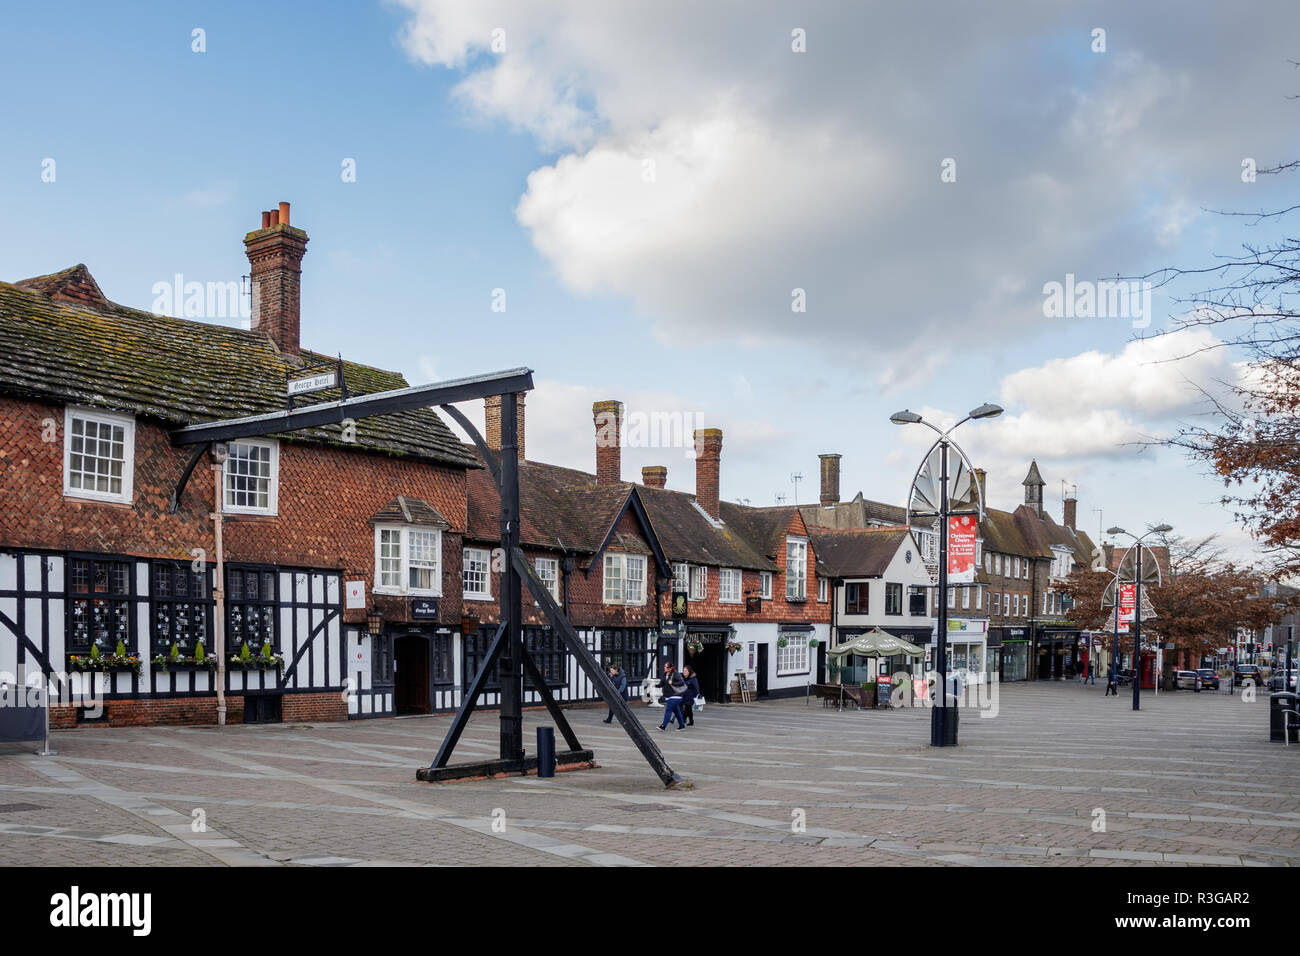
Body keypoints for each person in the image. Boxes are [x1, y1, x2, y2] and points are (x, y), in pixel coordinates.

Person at [658, 661, 687, 731]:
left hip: (676, 696)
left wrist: (673, 682)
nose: (664, 668)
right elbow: (662, 684)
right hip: (669, 697)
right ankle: (682, 725)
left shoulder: (675, 674)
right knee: (677, 712)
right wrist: (655, 686)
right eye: (664, 666)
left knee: (668, 710)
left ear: (670, 668)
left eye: (666, 667)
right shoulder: (665, 674)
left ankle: (663, 726)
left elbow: (681, 682)